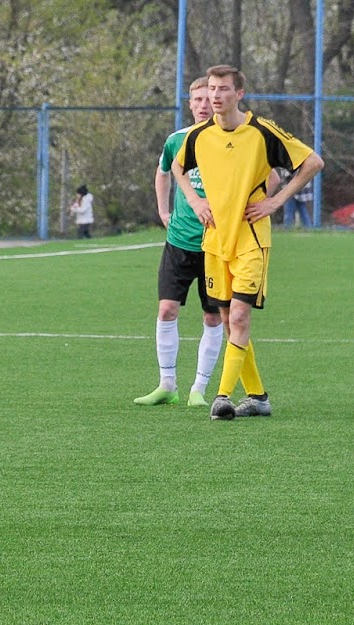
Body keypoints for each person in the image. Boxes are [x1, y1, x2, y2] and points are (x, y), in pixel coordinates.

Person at [172, 64, 324, 420]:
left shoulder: (261, 131)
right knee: (228, 322)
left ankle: (222, 396)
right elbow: (177, 167)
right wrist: (195, 202)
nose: (215, 95)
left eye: (223, 89)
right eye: (211, 88)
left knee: (239, 316)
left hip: (251, 239)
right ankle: (257, 397)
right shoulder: (198, 135)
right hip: (214, 241)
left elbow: (312, 162)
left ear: (239, 94)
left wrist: (275, 201)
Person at [134, 76, 225, 408]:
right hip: (179, 242)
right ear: (189, 104)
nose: (203, 104)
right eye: (197, 99)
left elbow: (266, 177)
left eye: (208, 98)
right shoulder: (176, 140)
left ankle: (198, 389)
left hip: (217, 245)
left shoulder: (230, 142)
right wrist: (162, 209)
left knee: (213, 317)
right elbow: (162, 172)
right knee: (167, 309)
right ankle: (167, 384)